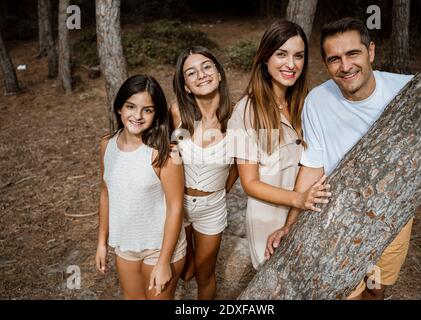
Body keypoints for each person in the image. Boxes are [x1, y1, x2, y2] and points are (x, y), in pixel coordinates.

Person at [265, 17, 414, 300]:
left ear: (370, 51)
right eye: (335, 59)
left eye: (352, 54)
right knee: (347, 293)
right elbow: (311, 168)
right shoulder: (318, 102)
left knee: (376, 288)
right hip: (340, 220)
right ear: (325, 63)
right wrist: (290, 226)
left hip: (394, 220)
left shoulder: (407, 91)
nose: (345, 66)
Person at [227, 20, 332, 270]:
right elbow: (250, 184)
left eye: (299, 56)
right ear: (265, 57)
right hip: (269, 218)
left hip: (307, 212)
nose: (291, 64)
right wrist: (299, 199)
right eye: (281, 54)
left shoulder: (305, 105)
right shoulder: (245, 112)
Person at [95, 75, 186, 300]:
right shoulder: (107, 144)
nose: (137, 116)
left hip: (161, 248)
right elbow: (106, 193)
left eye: (147, 110)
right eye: (131, 107)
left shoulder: (165, 153)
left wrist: (164, 261)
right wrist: (101, 242)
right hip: (125, 243)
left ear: (156, 114)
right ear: (119, 108)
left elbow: (175, 207)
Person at [171, 46, 238, 299]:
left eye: (207, 67)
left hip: (212, 207)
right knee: (182, 271)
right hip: (177, 204)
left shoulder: (236, 118)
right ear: (186, 86)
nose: (201, 74)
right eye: (191, 72)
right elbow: (163, 154)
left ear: (219, 74)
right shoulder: (177, 113)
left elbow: (238, 169)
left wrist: (218, 189)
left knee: (203, 275)